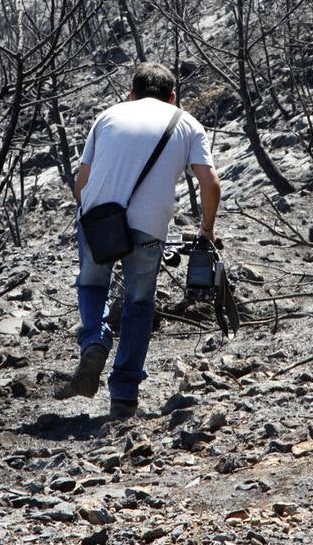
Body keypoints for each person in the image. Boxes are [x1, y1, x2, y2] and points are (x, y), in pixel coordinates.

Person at [57, 62, 221, 418]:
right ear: (173, 97)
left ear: (130, 95)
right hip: (149, 224)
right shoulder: (186, 123)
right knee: (138, 304)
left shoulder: (107, 117)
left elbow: (80, 184)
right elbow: (210, 183)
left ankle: (95, 341)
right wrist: (207, 229)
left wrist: (90, 212)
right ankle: (124, 396)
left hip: (99, 216)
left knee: (91, 284)